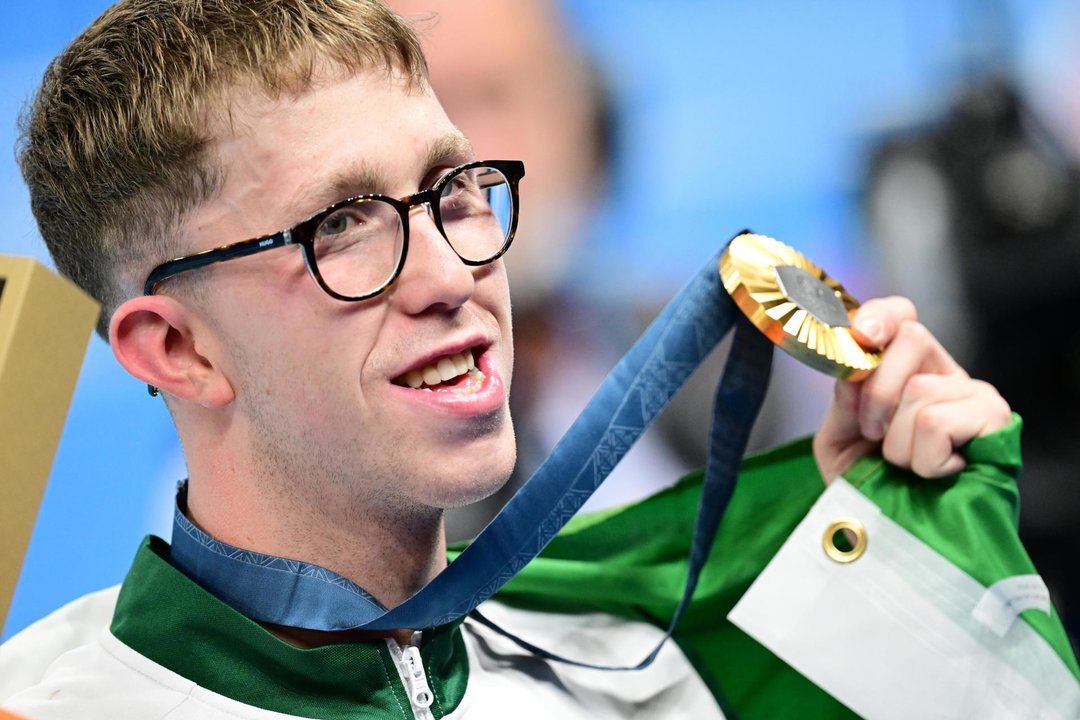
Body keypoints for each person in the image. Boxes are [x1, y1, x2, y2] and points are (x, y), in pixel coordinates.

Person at [0, 1, 1063, 718]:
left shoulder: (651, 658)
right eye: (348, 225)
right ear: (177, 348)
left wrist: (903, 579)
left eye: (454, 189)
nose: (452, 271)